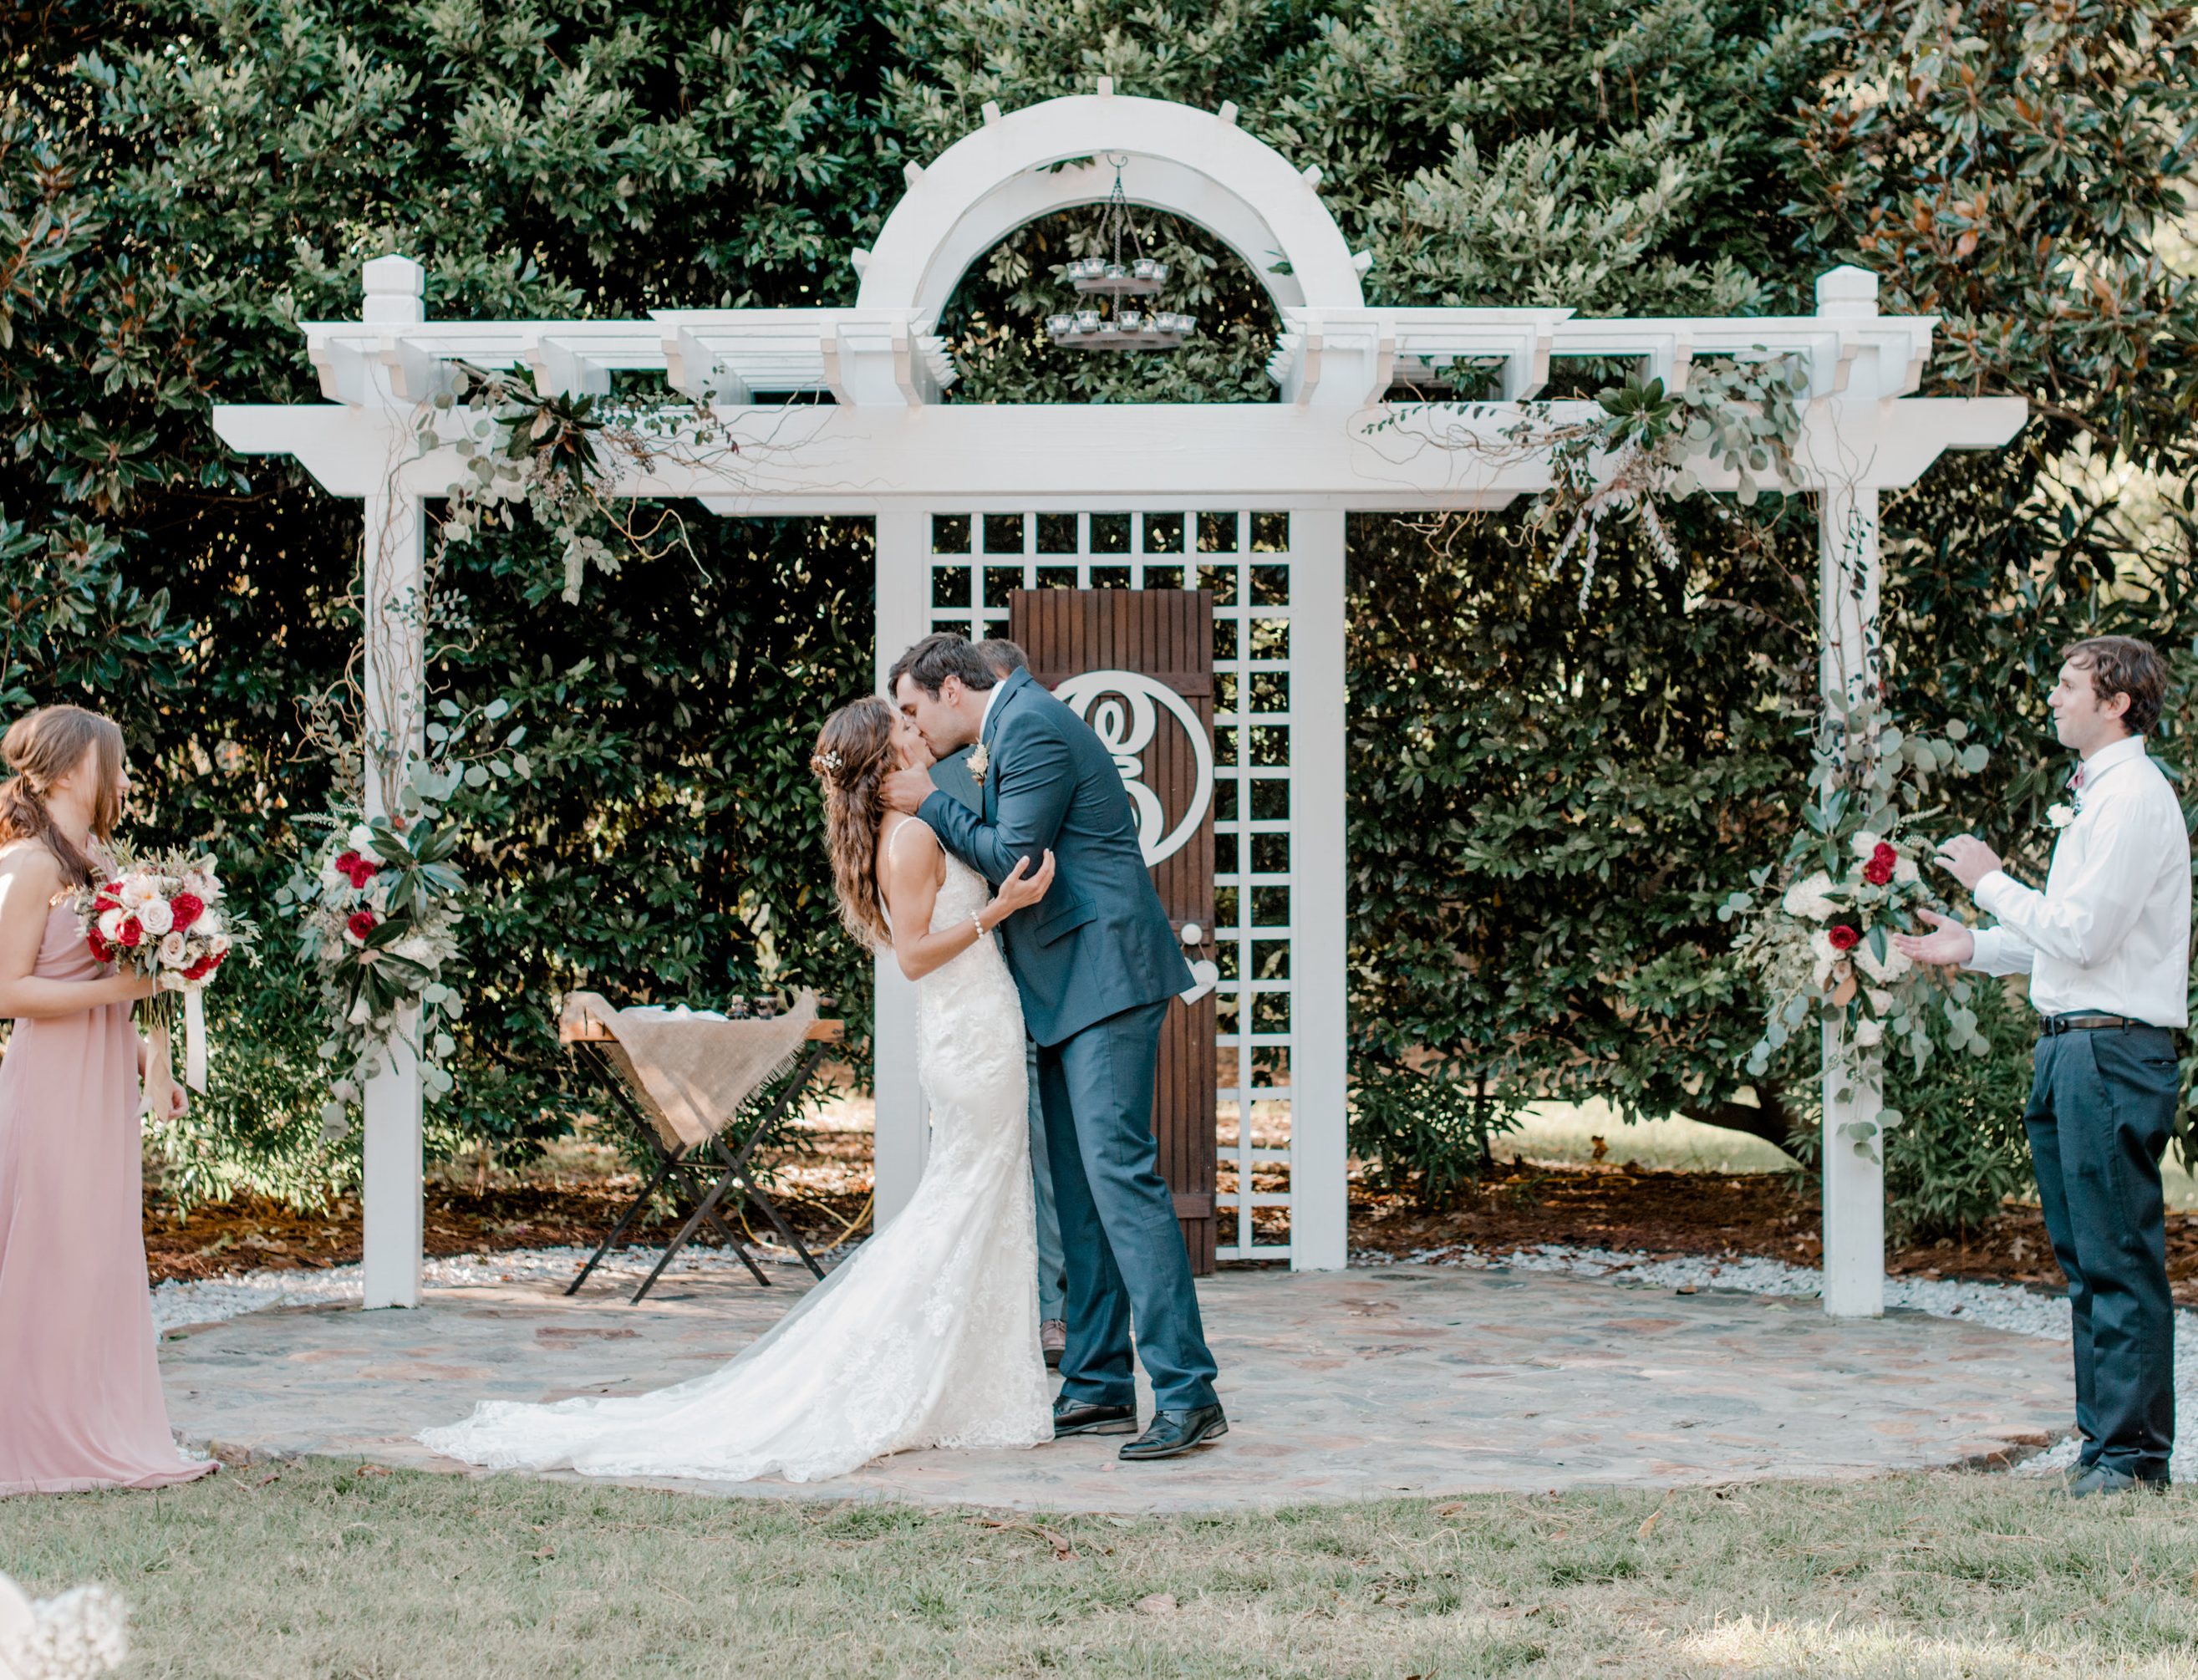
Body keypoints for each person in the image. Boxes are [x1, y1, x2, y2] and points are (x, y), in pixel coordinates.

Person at [420, 695, 1060, 1482]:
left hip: (978, 1031)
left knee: (983, 1205)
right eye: (904, 727)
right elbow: (916, 957)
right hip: (969, 1038)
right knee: (962, 1206)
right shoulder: (914, 836)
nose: (919, 731)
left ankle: (970, 1389)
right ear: (885, 758)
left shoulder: (922, 822)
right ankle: (909, 1382)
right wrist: (998, 910)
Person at [882, 632, 1225, 1461]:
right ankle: (1099, 1385)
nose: (912, 727)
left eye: (913, 707)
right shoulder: (1014, 728)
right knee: (1078, 1194)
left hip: (1104, 979)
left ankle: (1188, 1392)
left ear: (950, 691)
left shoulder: (1030, 724)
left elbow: (1014, 860)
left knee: (1121, 1180)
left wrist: (928, 800)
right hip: (1065, 991)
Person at [1894, 636, 2190, 1499]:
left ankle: (2130, 1462)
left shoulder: (2133, 797)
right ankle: (2102, 1452)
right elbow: (2068, 943)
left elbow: (2083, 935)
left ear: (2116, 703)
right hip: (2073, 1043)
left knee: (2114, 1259)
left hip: (2108, 1051)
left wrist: (1988, 883)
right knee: (2083, 1259)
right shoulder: (2101, 795)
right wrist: (1974, 946)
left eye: (2067, 686)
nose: (2051, 699)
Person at [0, 704, 211, 1496]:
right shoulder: (28, 868)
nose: (119, 775)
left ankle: (93, 1416)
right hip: (49, 1083)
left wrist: (153, 1062)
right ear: (64, 770)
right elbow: (7, 989)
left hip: (98, 1083)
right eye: (107, 761)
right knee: (52, 1248)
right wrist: (131, 985)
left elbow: (109, 996)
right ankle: (33, 1429)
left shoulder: (97, 860)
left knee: (93, 1253)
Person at [929, 637, 1069, 1367]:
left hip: (1026, 985)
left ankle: (1052, 1309)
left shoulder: (1023, 746)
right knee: (976, 1157)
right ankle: (989, 1311)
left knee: (1041, 1157)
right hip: (976, 996)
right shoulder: (938, 777)